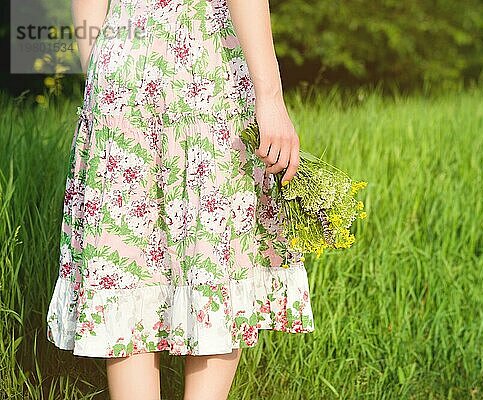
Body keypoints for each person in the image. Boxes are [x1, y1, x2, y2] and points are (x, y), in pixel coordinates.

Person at [46, 1, 315, 399]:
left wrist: (102, 75)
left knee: (128, 263)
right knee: (215, 255)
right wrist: (270, 97)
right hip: (203, 65)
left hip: (120, 63)